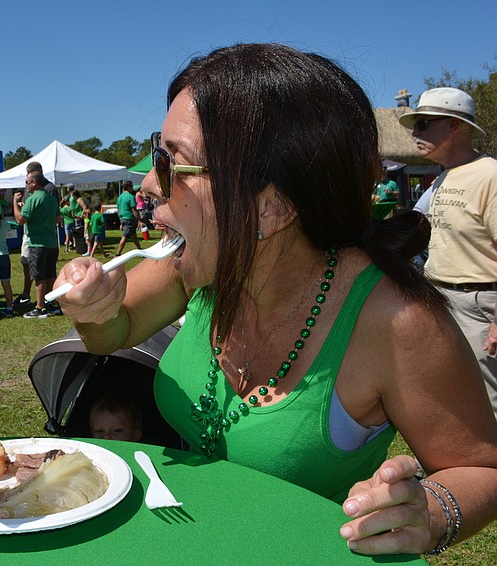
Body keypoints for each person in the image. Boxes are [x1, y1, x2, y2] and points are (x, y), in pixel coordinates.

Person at [54, 44, 497, 556]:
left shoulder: (398, 323)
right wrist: (97, 310)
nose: (150, 183)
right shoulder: (200, 267)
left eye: (171, 162)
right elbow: (117, 332)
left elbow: (479, 466)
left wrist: (433, 509)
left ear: (270, 207)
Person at [399, 87, 497, 423]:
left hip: (479, 303)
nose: (415, 133)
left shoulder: (490, 176)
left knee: (489, 402)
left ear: (454, 125)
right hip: (442, 297)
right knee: (456, 397)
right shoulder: (440, 180)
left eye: (423, 123)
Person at [13, 171, 61, 318]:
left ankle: (40, 308)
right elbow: (58, 219)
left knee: (39, 277)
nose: (26, 186)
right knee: (50, 275)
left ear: (34, 183)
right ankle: (51, 304)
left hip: (37, 243)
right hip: (52, 242)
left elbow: (20, 219)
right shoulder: (51, 199)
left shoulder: (33, 199)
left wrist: (15, 203)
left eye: (27, 182)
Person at [115, 180, 141, 255]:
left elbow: (118, 210)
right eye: (131, 186)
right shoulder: (131, 197)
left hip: (122, 218)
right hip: (129, 218)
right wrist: (139, 220)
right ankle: (118, 253)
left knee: (134, 235)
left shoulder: (119, 197)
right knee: (125, 236)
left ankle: (139, 249)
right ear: (129, 187)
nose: (132, 188)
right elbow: (134, 209)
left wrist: (120, 220)